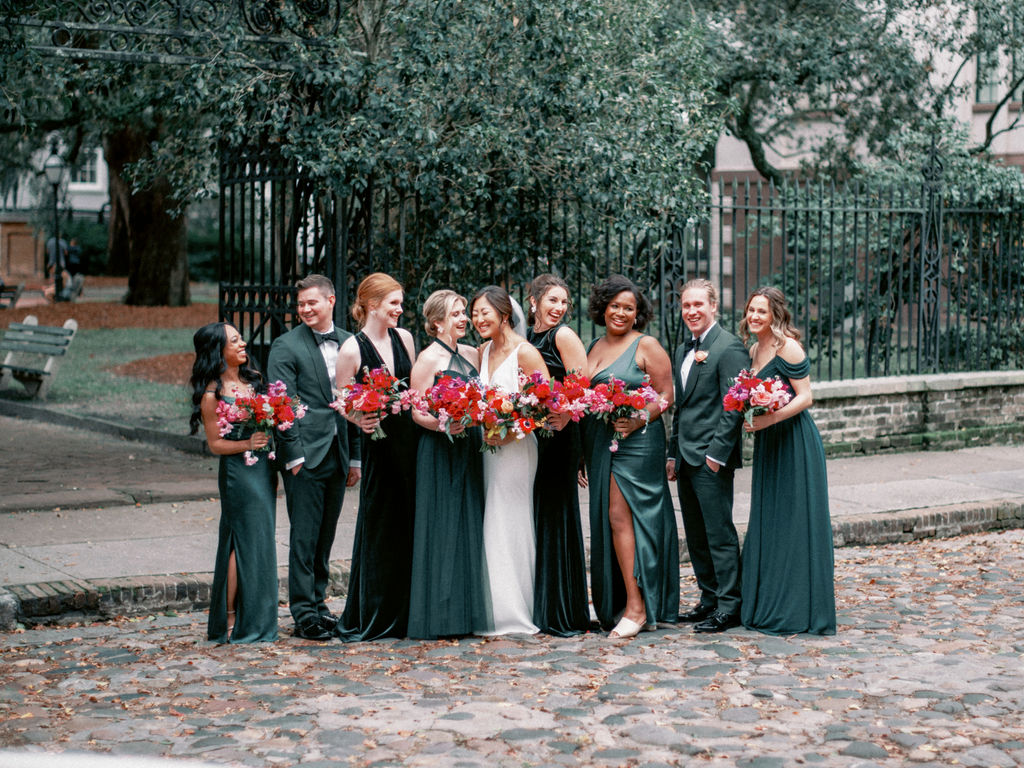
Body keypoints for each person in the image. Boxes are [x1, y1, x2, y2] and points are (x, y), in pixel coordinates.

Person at [583, 275, 677, 638]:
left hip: (638, 443)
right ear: (603, 307)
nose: (621, 313)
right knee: (611, 519)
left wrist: (639, 419)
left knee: (621, 516)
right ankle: (622, 600)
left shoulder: (646, 345)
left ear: (637, 314)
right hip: (601, 443)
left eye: (629, 308)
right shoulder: (593, 346)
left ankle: (637, 608)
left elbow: (667, 394)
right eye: (615, 306)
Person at [738, 287, 836, 635]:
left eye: (762, 311)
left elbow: (806, 397)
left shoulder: (788, 347)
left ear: (775, 314)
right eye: (751, 310)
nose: (754, 317)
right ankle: (771, 601)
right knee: (772, 520)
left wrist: (768, 419)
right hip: (770, 444)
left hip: (794, 442)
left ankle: (798, 608)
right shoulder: (754, 348)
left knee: (795, 521)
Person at [267, 274, 360, 641]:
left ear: (331, 300)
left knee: (325, 537)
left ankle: (320, 606)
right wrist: (293, 456)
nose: (305, 309)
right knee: (304, 538)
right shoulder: (285, 346)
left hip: (338, 453)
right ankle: (303, 612)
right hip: (305, 456)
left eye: (312, 303)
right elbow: (282, 403)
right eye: (301, 304)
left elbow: (355, 403)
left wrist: (355, 459)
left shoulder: (350, 343)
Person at [334, 272, 418, 641]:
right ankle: (375, 611)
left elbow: (413, 389)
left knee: (410, 522)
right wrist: (358, 416)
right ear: (372, 305)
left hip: (410, 443)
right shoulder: (352, 348)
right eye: (394, 304)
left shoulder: (406, 339)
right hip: (380, 446)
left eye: (401, 303)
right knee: (381, 523)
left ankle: (408, 610)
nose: (400, 309)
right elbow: (340, 399)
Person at [666, 278, 749, 634]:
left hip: (710, 460)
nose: (691, 311)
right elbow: (681, 408)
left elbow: (735, 406)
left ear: (713, 306)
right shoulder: (686, 348)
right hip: (685, 458)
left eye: (698, 304)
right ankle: (709, 598)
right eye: (686, 305)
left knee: (719, 533)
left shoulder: (728, 346)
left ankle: (730, 606)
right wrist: (672, 453)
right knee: (696, 535)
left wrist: (717, 455)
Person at [189, 322, 279, 643]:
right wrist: (247, 444)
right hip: (238, 474)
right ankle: (230, 617)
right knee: (239, 541)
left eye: (240, 338)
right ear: (218, 351)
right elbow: (215, 446)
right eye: (234, 341)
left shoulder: (253, 380)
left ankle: (257, 614)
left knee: (261, 539)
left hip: (263, 471)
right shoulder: (212, 395)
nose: (243, 345)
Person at [407, 290, 488, 639]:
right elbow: (416, 410)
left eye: (463, 312)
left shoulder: (470, 352)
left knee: (468, 522)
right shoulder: (427, 359)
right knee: (442, 525)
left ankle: (467, 612)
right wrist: (443, 424)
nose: (463, 318)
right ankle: (440, 614)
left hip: (468, 447)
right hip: (439, 448)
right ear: (437, 321)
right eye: (456, 313)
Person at [471, 285, 550, 635]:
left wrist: (510, 430)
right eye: (474, 314)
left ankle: (517, 611)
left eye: (484, 312)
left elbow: (544, 404)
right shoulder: (481, 352)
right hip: (487, 448)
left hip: (517, 448)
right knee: (491, 521)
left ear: (504, 314)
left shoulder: (526, 352)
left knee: (511, 520)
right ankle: (491, 609)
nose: (477, 319)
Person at [525, 274, 591, 636]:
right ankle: (537, 602)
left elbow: (584, 383)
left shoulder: (562, 336)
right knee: (534, 514)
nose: (559, 308)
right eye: (552, 300)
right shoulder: (526, 339)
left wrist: (566, 413)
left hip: (561, 435)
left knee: (555, 513)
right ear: (533, 302)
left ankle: (561, 608)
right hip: (534, 436)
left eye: (564, 302)